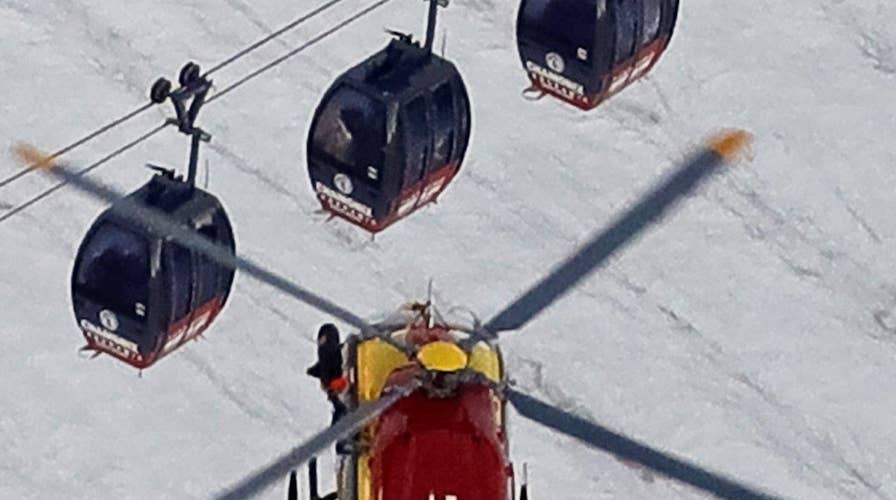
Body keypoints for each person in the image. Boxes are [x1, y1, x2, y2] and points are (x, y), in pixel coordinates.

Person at [306, 323, 349, 424]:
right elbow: (319, 368)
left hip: (344, 394)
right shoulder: (326, 356)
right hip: (339, 397)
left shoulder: (340, 353)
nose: (322, 343)